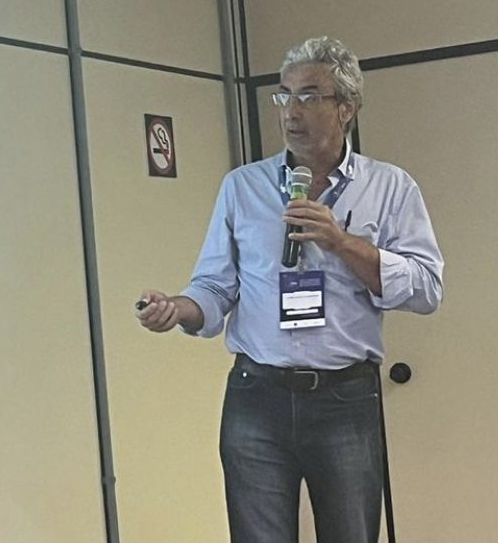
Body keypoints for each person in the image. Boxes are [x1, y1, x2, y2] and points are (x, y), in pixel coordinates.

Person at [136, 36, 443, 543]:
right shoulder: (243, 187)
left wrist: (343, 243)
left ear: (346, 108)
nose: (291, 111)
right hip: (256, 396)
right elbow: (215, 287)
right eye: (284, 96)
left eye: (309, 96)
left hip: (346, 399)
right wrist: (179, 308)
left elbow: (427, 287)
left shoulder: (391, 188)